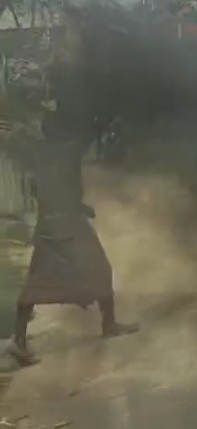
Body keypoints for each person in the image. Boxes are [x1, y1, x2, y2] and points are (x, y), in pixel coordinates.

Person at [7, 108, 138, 367]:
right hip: (65, 227)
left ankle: (19, 341)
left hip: (52, 227)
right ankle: (108, 324)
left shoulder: (40, 153)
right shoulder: (65, 151)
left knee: (37, 284)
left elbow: (56, 190)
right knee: (98, 269)